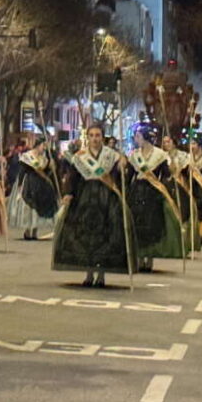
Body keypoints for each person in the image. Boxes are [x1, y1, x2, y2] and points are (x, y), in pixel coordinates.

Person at [53, 123, 136, 287]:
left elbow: (119, 178)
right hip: (84, 198)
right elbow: (72, 176)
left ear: (102, 137)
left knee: (105, 237)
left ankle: (101, 275)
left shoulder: (112, 156)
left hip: (106, 199)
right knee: (85, 237)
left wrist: (122, 169)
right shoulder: (80, 156)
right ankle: (88, 273)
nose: (95, 139)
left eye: (98, 135)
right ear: (88, 137)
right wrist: (68, 193)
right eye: (91, 135)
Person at [126, 127, 183, 272]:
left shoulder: (160, 155)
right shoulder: (134, 155)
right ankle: (139, 257)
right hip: (137, 191)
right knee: (137, 224)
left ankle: (149, 257)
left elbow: (165, 175)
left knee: (151, 225)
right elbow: (129, 176)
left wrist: (167, 182)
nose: (136, 139)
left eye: (138, 136)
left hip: (152, 192)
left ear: (145, 137)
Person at [7, 136, 59, 241]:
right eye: (43, 145)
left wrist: (52, 166)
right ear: (38, 145)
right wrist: (20, 184)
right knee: (28, 208)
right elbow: (22, 171)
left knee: (38, 208)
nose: (44, 148)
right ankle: (27, 230)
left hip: (41, 184)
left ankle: (35, 230)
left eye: (45, 146)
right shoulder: (28, 156)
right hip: (29, 183)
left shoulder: (45, 157)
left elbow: (47, 173)